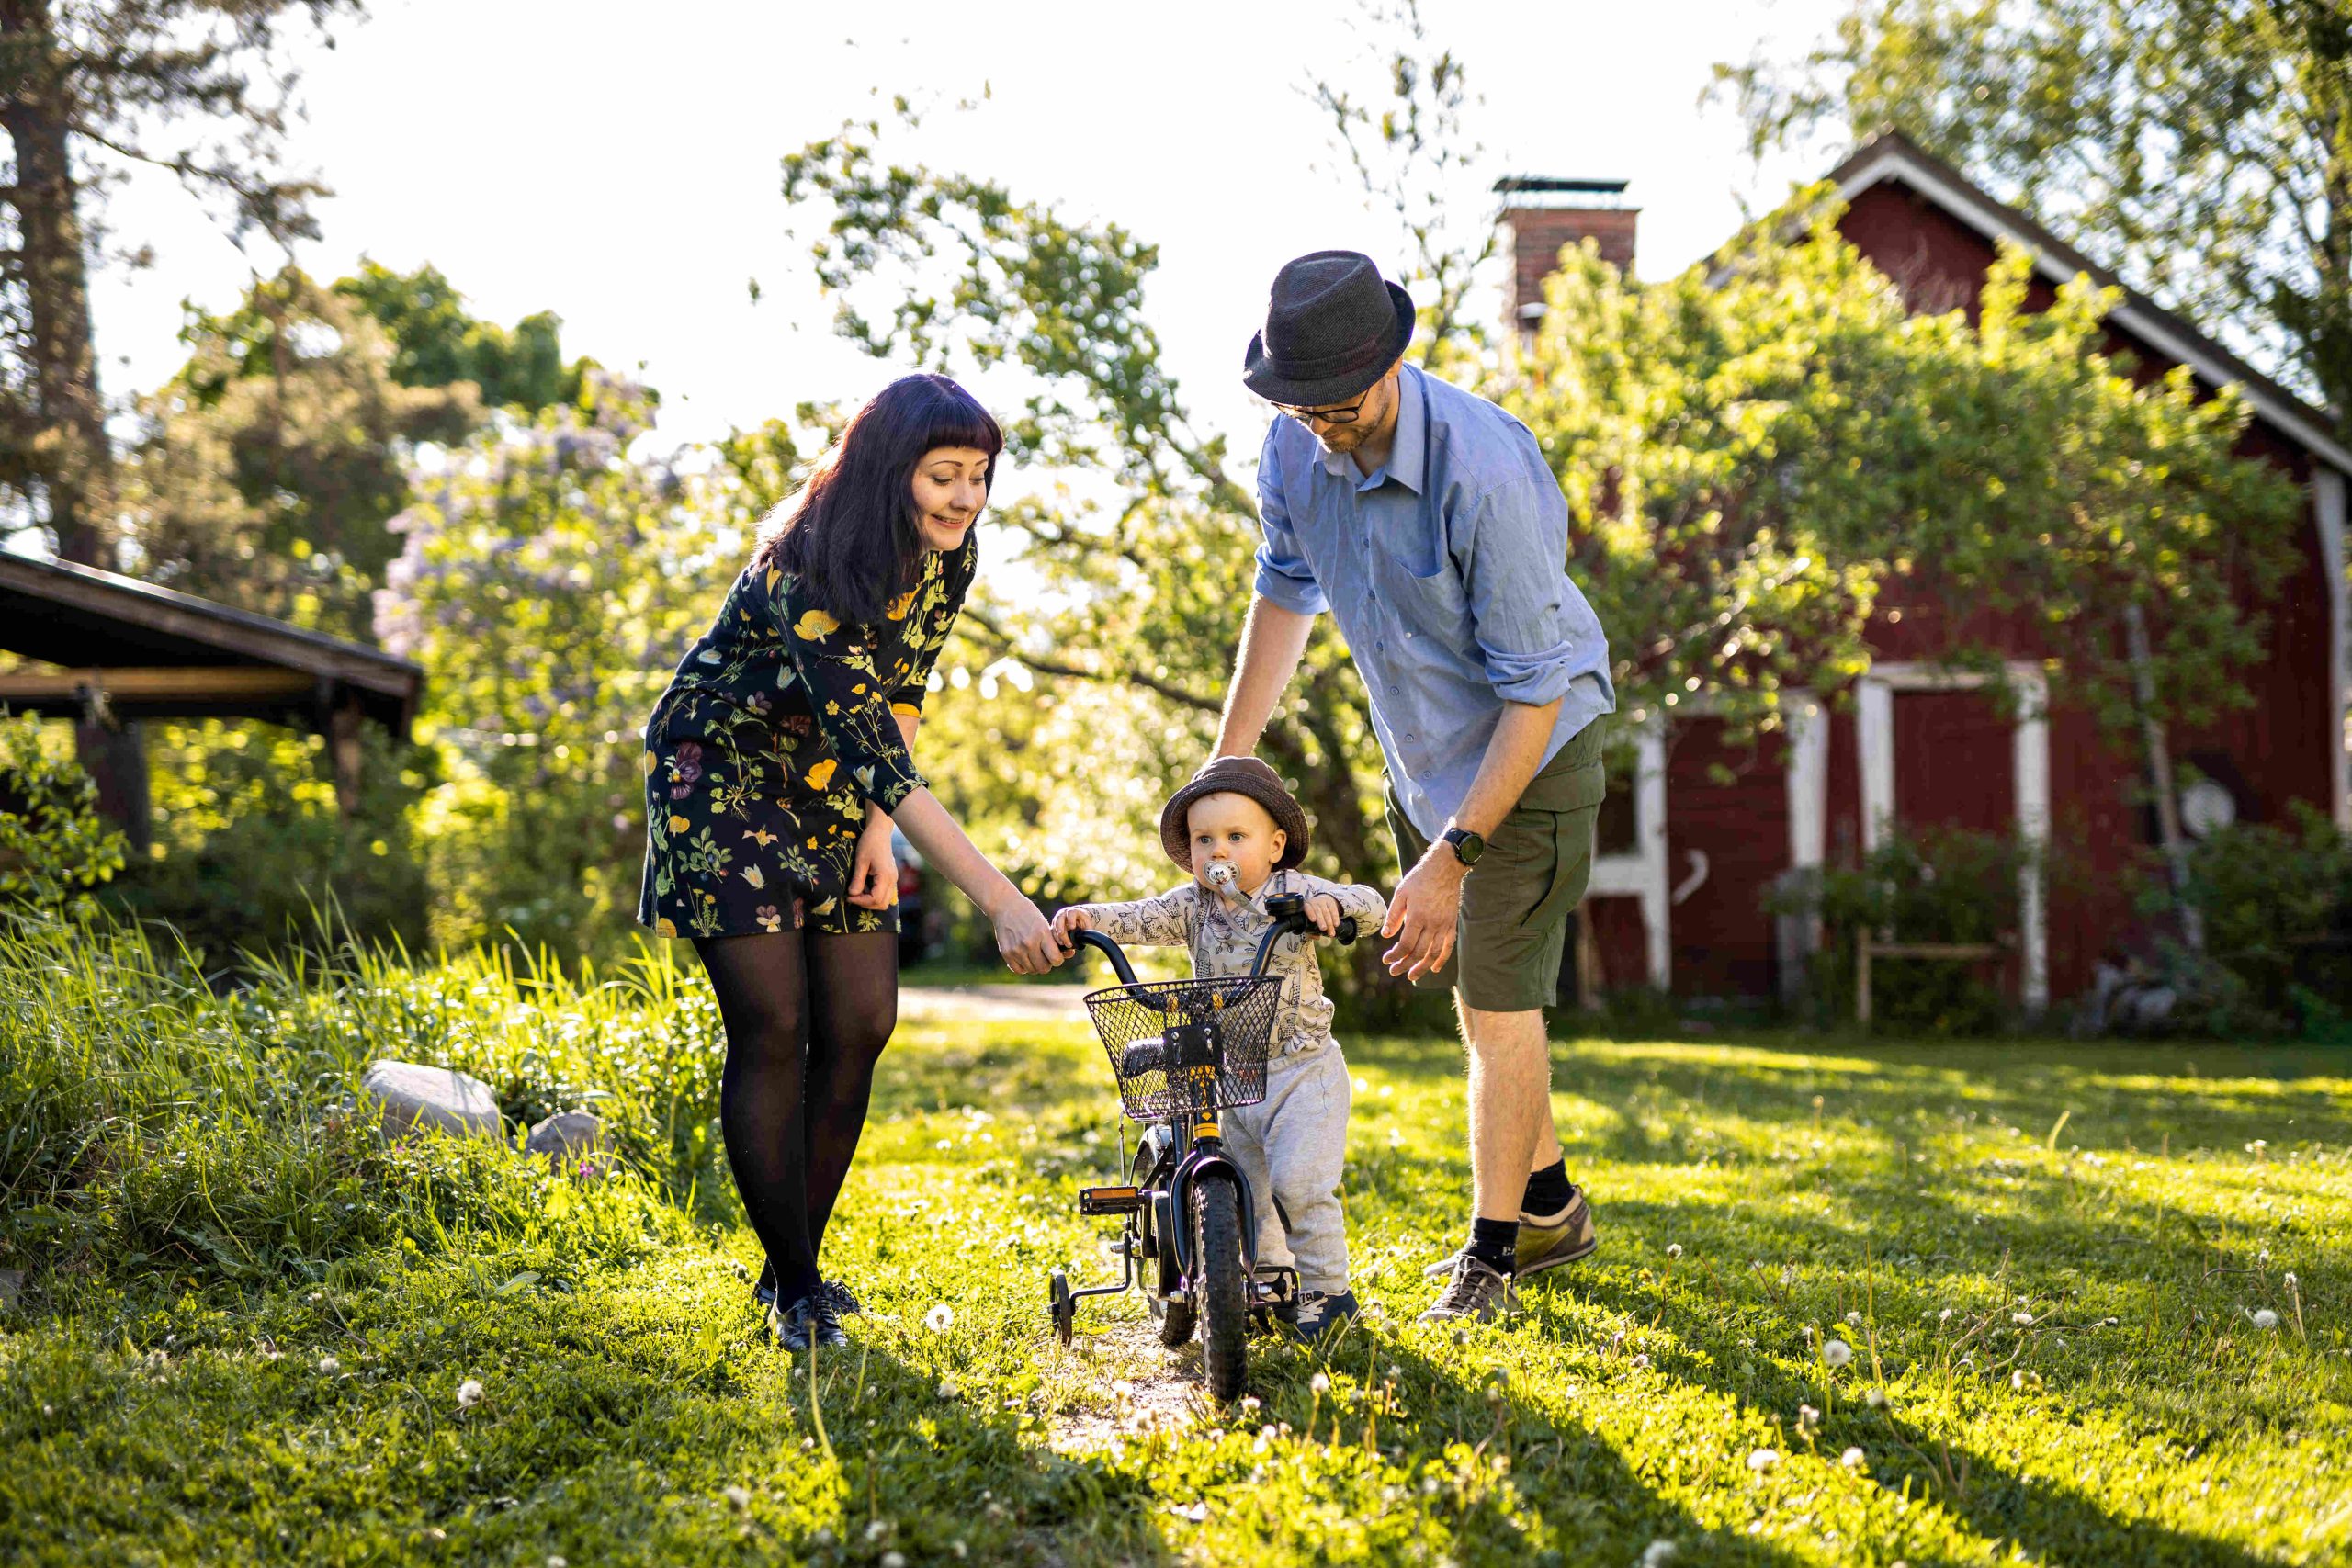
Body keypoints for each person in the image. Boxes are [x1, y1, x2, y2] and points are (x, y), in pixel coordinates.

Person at [1209, 251, 1616, 1324]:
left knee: (1499, 1000)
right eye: (1298, 409)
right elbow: (1284, 590)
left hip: (1533, 755)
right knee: (1478, 998)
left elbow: (1535, 689)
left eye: (1336, 409)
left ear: (1388, 364)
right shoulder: (1295, 446)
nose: (1319, 431)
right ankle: (1549, 1204)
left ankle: (1492, 1257)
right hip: (1424, 757)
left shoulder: (1481, 469)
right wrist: (1227, 763)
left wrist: (1451, 857)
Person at [639, 373, 1066, 1350]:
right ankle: (797, 1289)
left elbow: (902, 695)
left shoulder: (947, 557)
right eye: (944, 475)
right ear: (889, 469)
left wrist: (880, 828)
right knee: (775, 1026)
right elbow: (876, 745)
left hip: (838, 781)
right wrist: (1002, 901)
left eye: (979, 476)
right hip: (722, 773)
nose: (966, 497)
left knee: (863, 1019)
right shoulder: (808, 566)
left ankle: (788, 1265)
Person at [1051, 757, 1385, 1342]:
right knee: (1245, 1192)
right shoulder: (1193, 906)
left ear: (1274, 846)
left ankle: (1330, 1293)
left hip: (1303, 1069)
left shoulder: (1293, 891)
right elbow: (1139, 916)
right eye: (1204, 840)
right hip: (1234, 1074)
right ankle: (1268, 1286)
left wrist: (1333, 908)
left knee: (1299, 1185)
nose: (1218, 852)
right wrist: (1088, 917)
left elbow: (1373, 905)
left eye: (1236, 837)